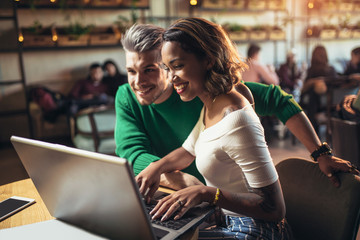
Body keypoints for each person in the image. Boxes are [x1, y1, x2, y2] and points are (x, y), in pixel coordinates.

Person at [115, 23, 358, 192]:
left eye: (150, 69)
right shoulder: (126, 96)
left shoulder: (207, 91)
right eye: (131, 71)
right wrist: (181, 180)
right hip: (176, 190)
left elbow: (279, 99)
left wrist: (321, 153)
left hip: (224, 201)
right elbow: (132, 153)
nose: (138, 82)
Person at [136, 17, 291, 239]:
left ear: (208, 59)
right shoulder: (212, 104)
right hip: (229, 220)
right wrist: (156, 167)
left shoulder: (236, 119)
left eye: (178, 66)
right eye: (168, 68)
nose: (172, 79)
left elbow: (275, 210)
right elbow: (190, 150)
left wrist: (206, 193)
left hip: (257, 230)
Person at [301, 45, 337, 134]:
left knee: (310, 93)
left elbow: (304, 89)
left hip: (314, 103)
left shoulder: (311, 71)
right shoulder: (332, 70)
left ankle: (312, 132)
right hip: (331, 102)